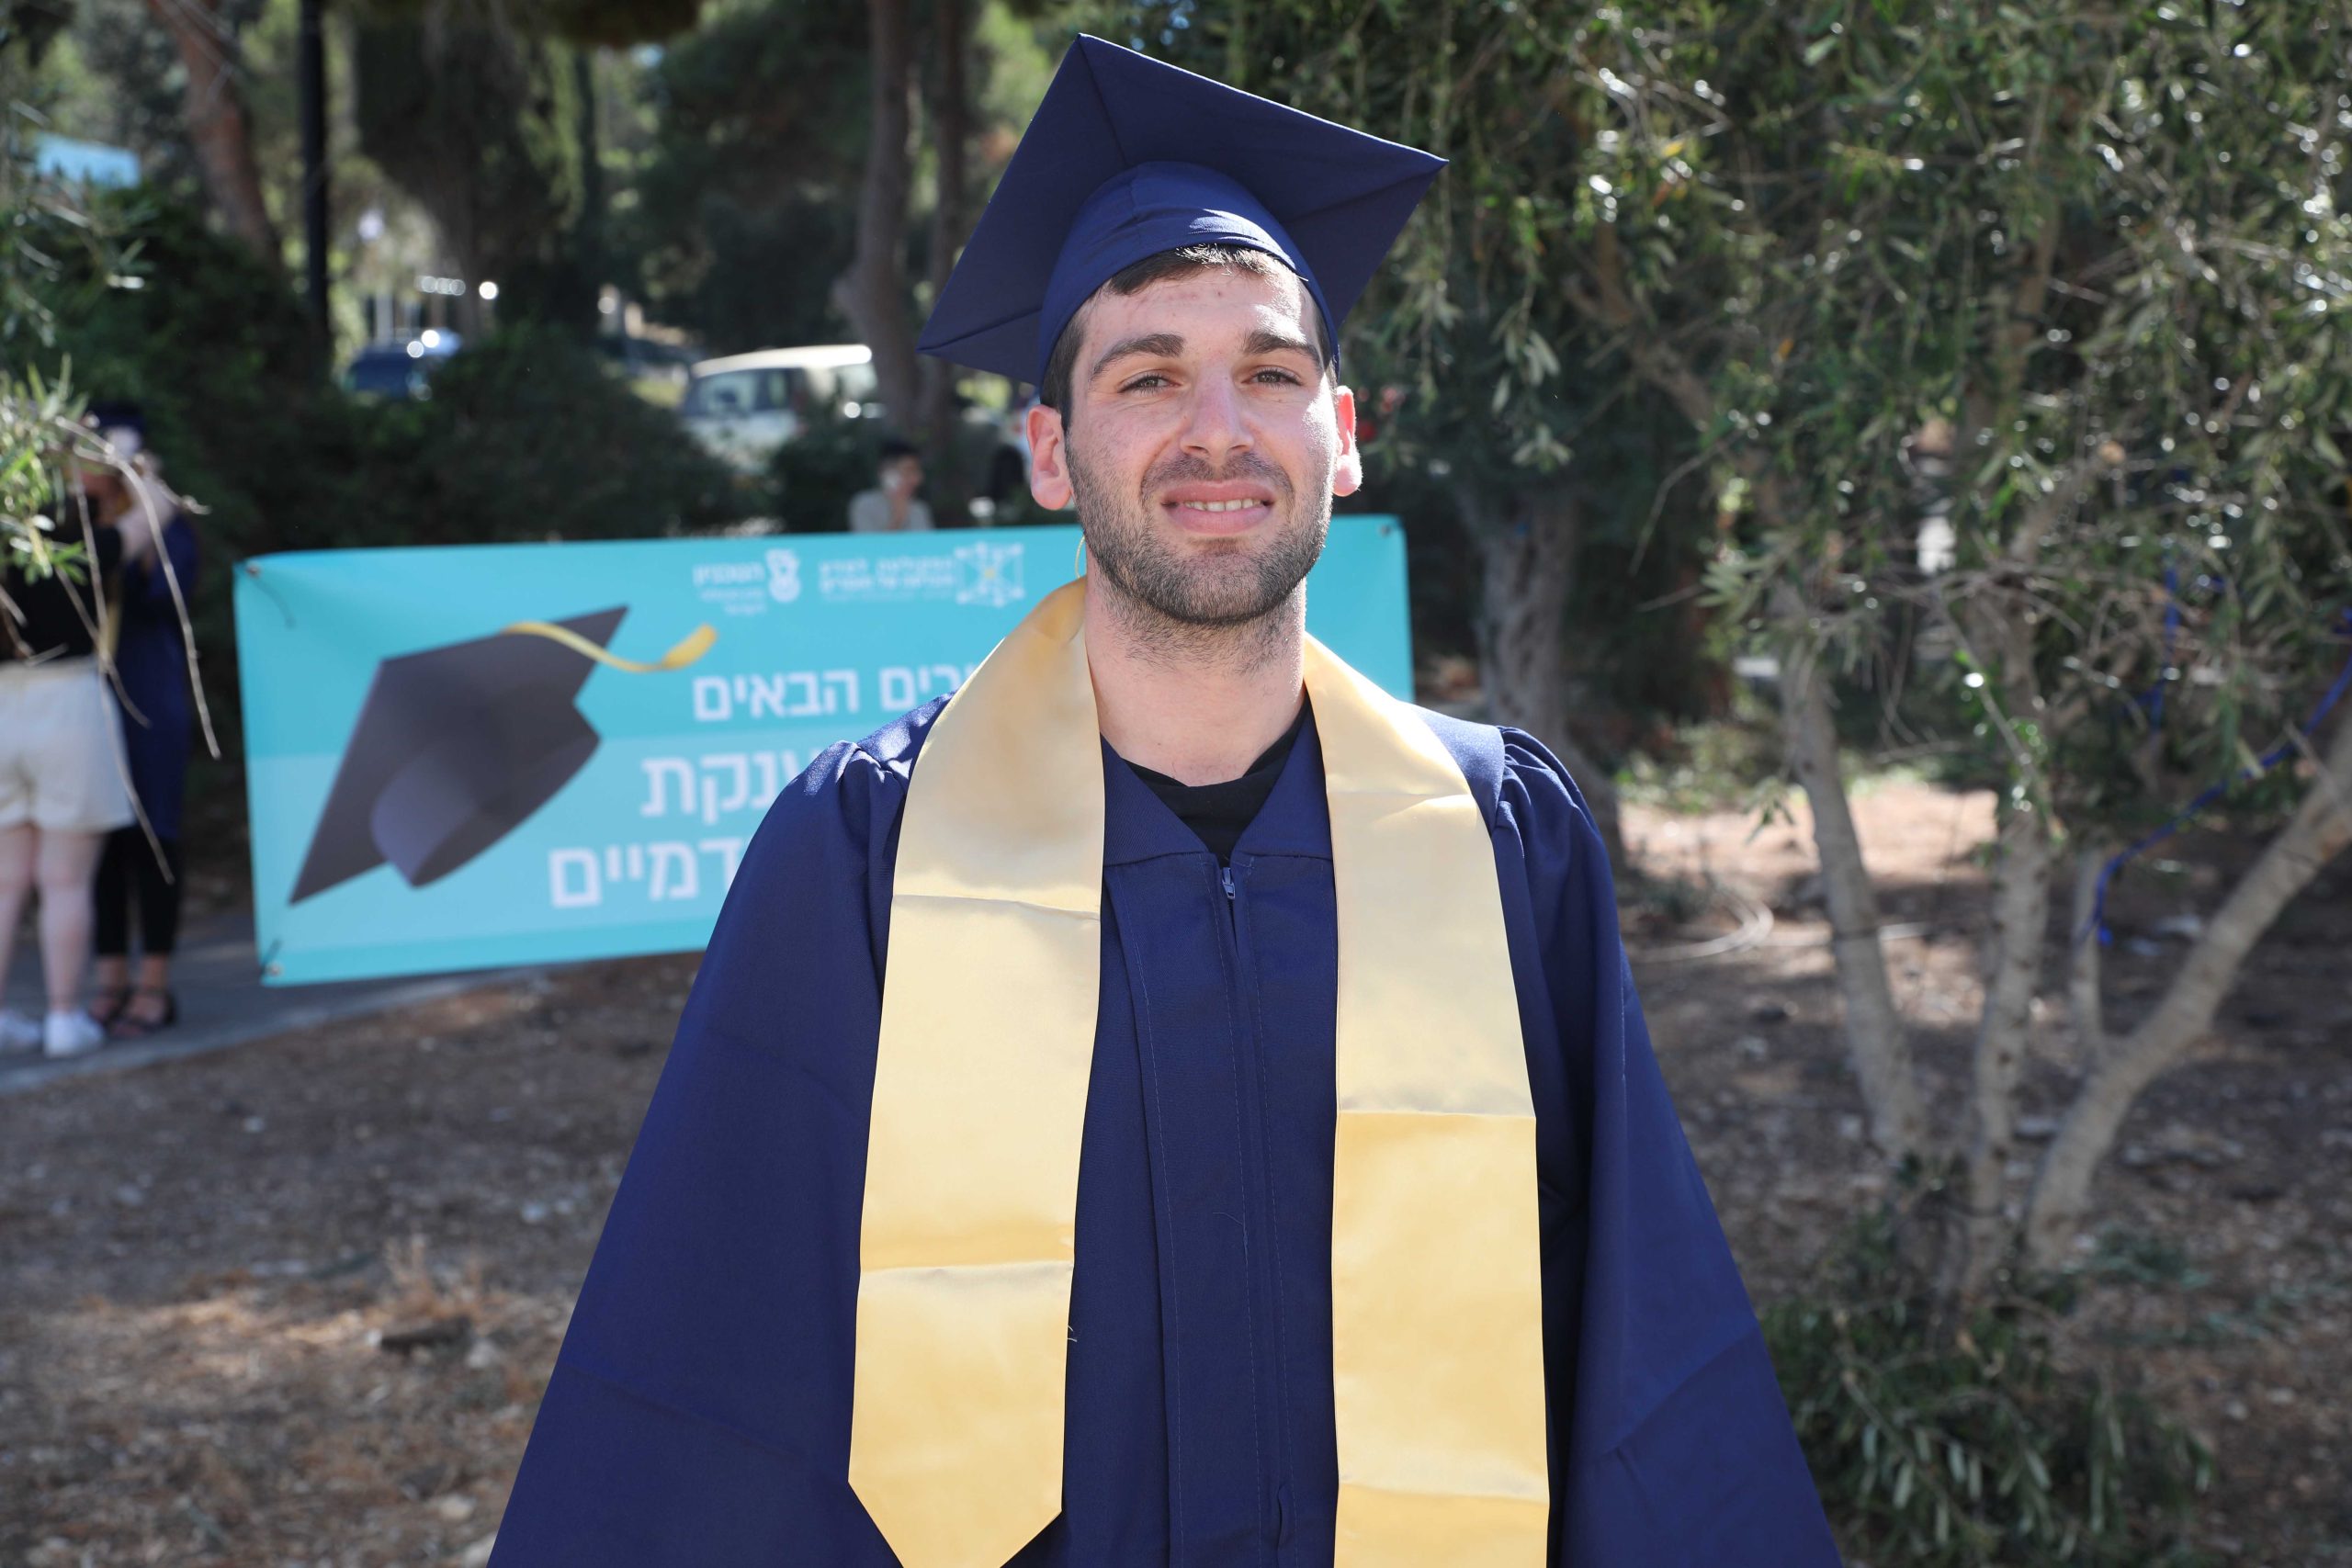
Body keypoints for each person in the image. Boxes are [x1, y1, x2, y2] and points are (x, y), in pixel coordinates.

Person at [492, 36, 1839, 1568]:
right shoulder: (868, 851)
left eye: (1271, 372)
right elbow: (720, 1367)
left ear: (1343, 436)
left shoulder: (1499, 843)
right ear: (1051, 454)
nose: (1219, 427)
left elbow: (1634, 1354)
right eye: (1146, 377)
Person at [0, 422, 158, 1059]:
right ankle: (65, 1015)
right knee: (65, 880)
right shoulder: (81, 536)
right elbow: (155, 515)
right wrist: (137, 465)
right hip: (68, 700)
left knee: (6, 881)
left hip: (2, 705)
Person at [85, 407, 200, 1038]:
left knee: (155, 838)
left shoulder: (166, 522)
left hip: (149, 698)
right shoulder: (70, 524)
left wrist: (143, 510)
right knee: (96, 841)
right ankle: (109, 979)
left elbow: (167, 595)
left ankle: (153, 983)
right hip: (84, 702)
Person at [847, 437, 935, 533]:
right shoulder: (864, 505)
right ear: (887, 473)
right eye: (909, 471)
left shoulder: (919, 509)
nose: (917, 479)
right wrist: (898, 519)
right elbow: (867, 542)